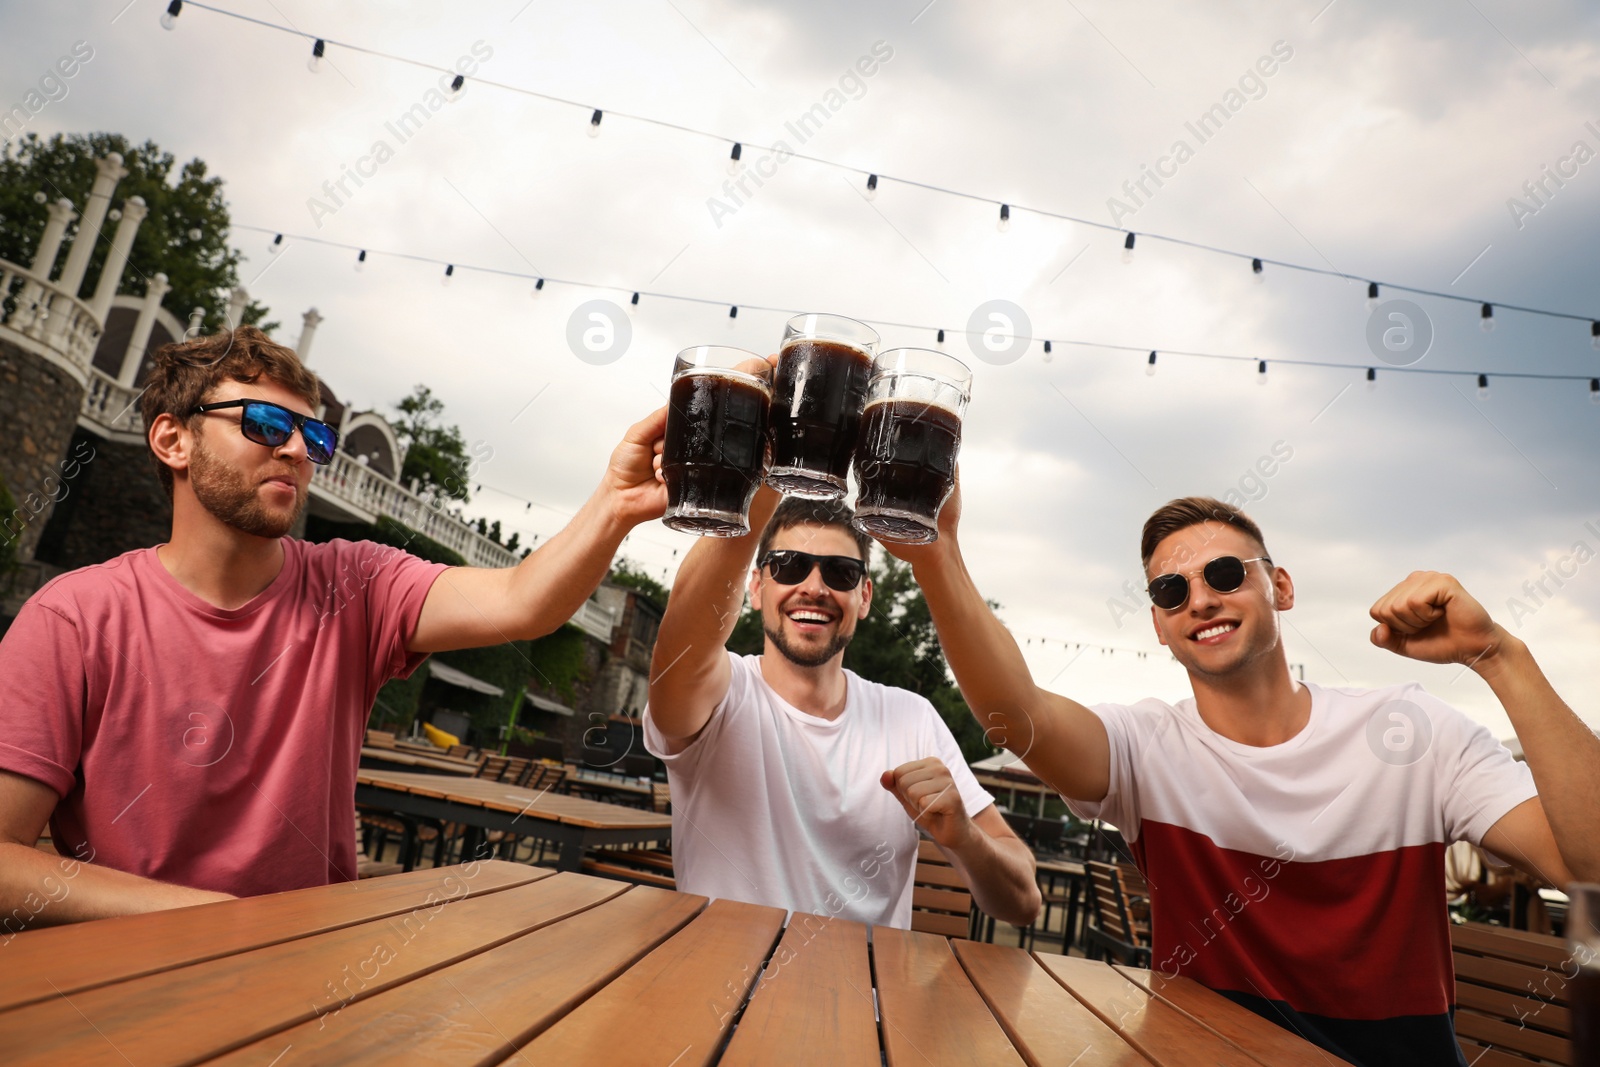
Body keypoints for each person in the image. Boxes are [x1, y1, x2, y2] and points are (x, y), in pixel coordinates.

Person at [889, 490, 1598, 1067]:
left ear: (1280, 587)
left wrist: (1498, 654)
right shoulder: (1147, 745)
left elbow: (1588, 865)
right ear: (1160, 627)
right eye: (1172, 590)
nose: (1200, 598)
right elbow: (1021, 715)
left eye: (1225, 574)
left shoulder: (1416, 732)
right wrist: (936, 554)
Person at [0, 326, 669, 926]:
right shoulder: (73, 619)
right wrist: (216, 922)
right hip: (124, 989)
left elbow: (525, 601)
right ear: (173, 439)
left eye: (312, 436)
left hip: (310, 987)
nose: (295, 449)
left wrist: (615, 503)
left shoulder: (355, 585)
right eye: (263, 423)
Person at [643, 489, 1040, 930]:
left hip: (868, 996)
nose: (814, 588)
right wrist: (762, 480)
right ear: (755, 587)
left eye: (841, 572)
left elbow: (1023, 903)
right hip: (724, 993)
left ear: (864, 596)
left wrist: (966, 839)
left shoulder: (911, 718)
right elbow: (681, 638)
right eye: (789, 565)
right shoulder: (717, 694)